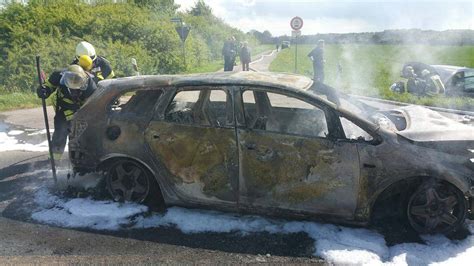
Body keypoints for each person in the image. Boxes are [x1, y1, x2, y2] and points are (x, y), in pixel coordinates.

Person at [36, 64, 97, 160]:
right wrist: (44, 90)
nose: (73, 90)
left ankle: (78, 160)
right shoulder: (58, 75)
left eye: (76, 85)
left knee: (80, 136)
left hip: (81, 112)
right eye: (71, 86)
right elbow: (49, 85)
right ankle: (54, 159)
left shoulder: (90, 85)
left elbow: (92, 105)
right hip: (63, 108)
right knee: (60, 132)